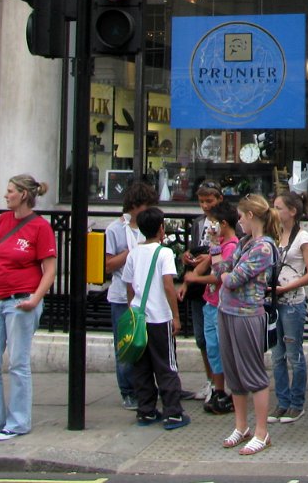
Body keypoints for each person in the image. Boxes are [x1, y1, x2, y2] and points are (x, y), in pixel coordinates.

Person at [0, 174, 57, 441]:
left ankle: (18, 422)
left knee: (18, 363)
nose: (6, 195)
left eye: (10, 191)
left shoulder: (40, 227)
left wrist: (35, 299)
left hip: (20, 300)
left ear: (23, 195)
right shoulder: (2, 221)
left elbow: (49, 270)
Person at [217, 194, 282, 456]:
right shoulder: (245, 242)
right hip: (227, 310)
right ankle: (241, 426)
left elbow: (233, 278)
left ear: (251, 215)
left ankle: (261, 432)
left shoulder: (264, 248)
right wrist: (221, 263)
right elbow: (223, 268)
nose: (239, 221)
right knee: (233, 372)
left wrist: (225, 274)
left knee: (253, 373)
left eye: (241, 216)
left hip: (247, 314)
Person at [123, 206, 189, 430]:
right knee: (166, 365)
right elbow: (168, 286)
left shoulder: (134, 253)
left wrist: (132, 310)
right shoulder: (164, 253)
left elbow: (129, 287)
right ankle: (173, 412)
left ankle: (146, 410)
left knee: (141, 367)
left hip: (139, 318)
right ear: (161, 229)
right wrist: (176, 316)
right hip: (159, 318)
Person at [104, 180, 159, 410]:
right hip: (121, 295)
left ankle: (145, 387)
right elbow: (108, 264)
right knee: (126, 343)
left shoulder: (149, 227)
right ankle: (128, 390)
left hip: (146, 294)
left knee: (146, 343)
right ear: (135, 205)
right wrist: (131, 252)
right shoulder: (114, 230)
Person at [186, 201, 240, 416]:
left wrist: (195, 279)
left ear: (224, 224)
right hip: (210, 302)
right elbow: (210, 263)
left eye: (215, 223)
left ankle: (234, 392)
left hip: (222, 304)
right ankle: (218, 390)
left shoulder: (232, 246)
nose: (211, 227)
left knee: (223, 347)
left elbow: (219, 274)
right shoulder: (219, 244)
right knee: (213, 348)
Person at [270, 191, 308, 423]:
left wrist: (287, 288)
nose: (275, 211)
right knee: (276, 355)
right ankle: (282, 401)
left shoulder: (303, 237)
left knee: (294, 354)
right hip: (275, 301)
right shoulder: (275, 234)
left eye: (279, 208)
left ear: (292, 211)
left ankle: (297, 403)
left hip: (292, 302)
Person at [180, 180, 224, 403]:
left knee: (217, 337)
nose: (205, 206)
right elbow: (194, 247)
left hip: (215, 282)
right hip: (198, 284)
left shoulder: (226, 222)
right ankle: (210, 379)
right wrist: (188, 257)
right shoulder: (198, 223)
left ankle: (220, 382)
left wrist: (209, 257)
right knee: (202, 338)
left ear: (219, 200)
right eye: (202, 201)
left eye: (209, 201)